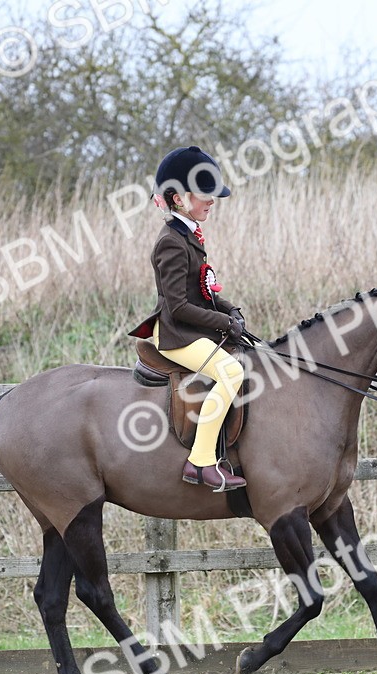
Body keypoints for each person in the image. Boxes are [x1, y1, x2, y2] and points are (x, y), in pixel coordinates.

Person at [128, 146, 248, 491]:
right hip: (178, 335)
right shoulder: (171, 243)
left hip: (194, 329)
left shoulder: (188, 235)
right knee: (231, 372)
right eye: (205, 195)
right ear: (179, 199)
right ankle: (200, 462)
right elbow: (178, 307)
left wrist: (229, 309)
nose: (212, 201)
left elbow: (201, 289)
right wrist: (224, 324)